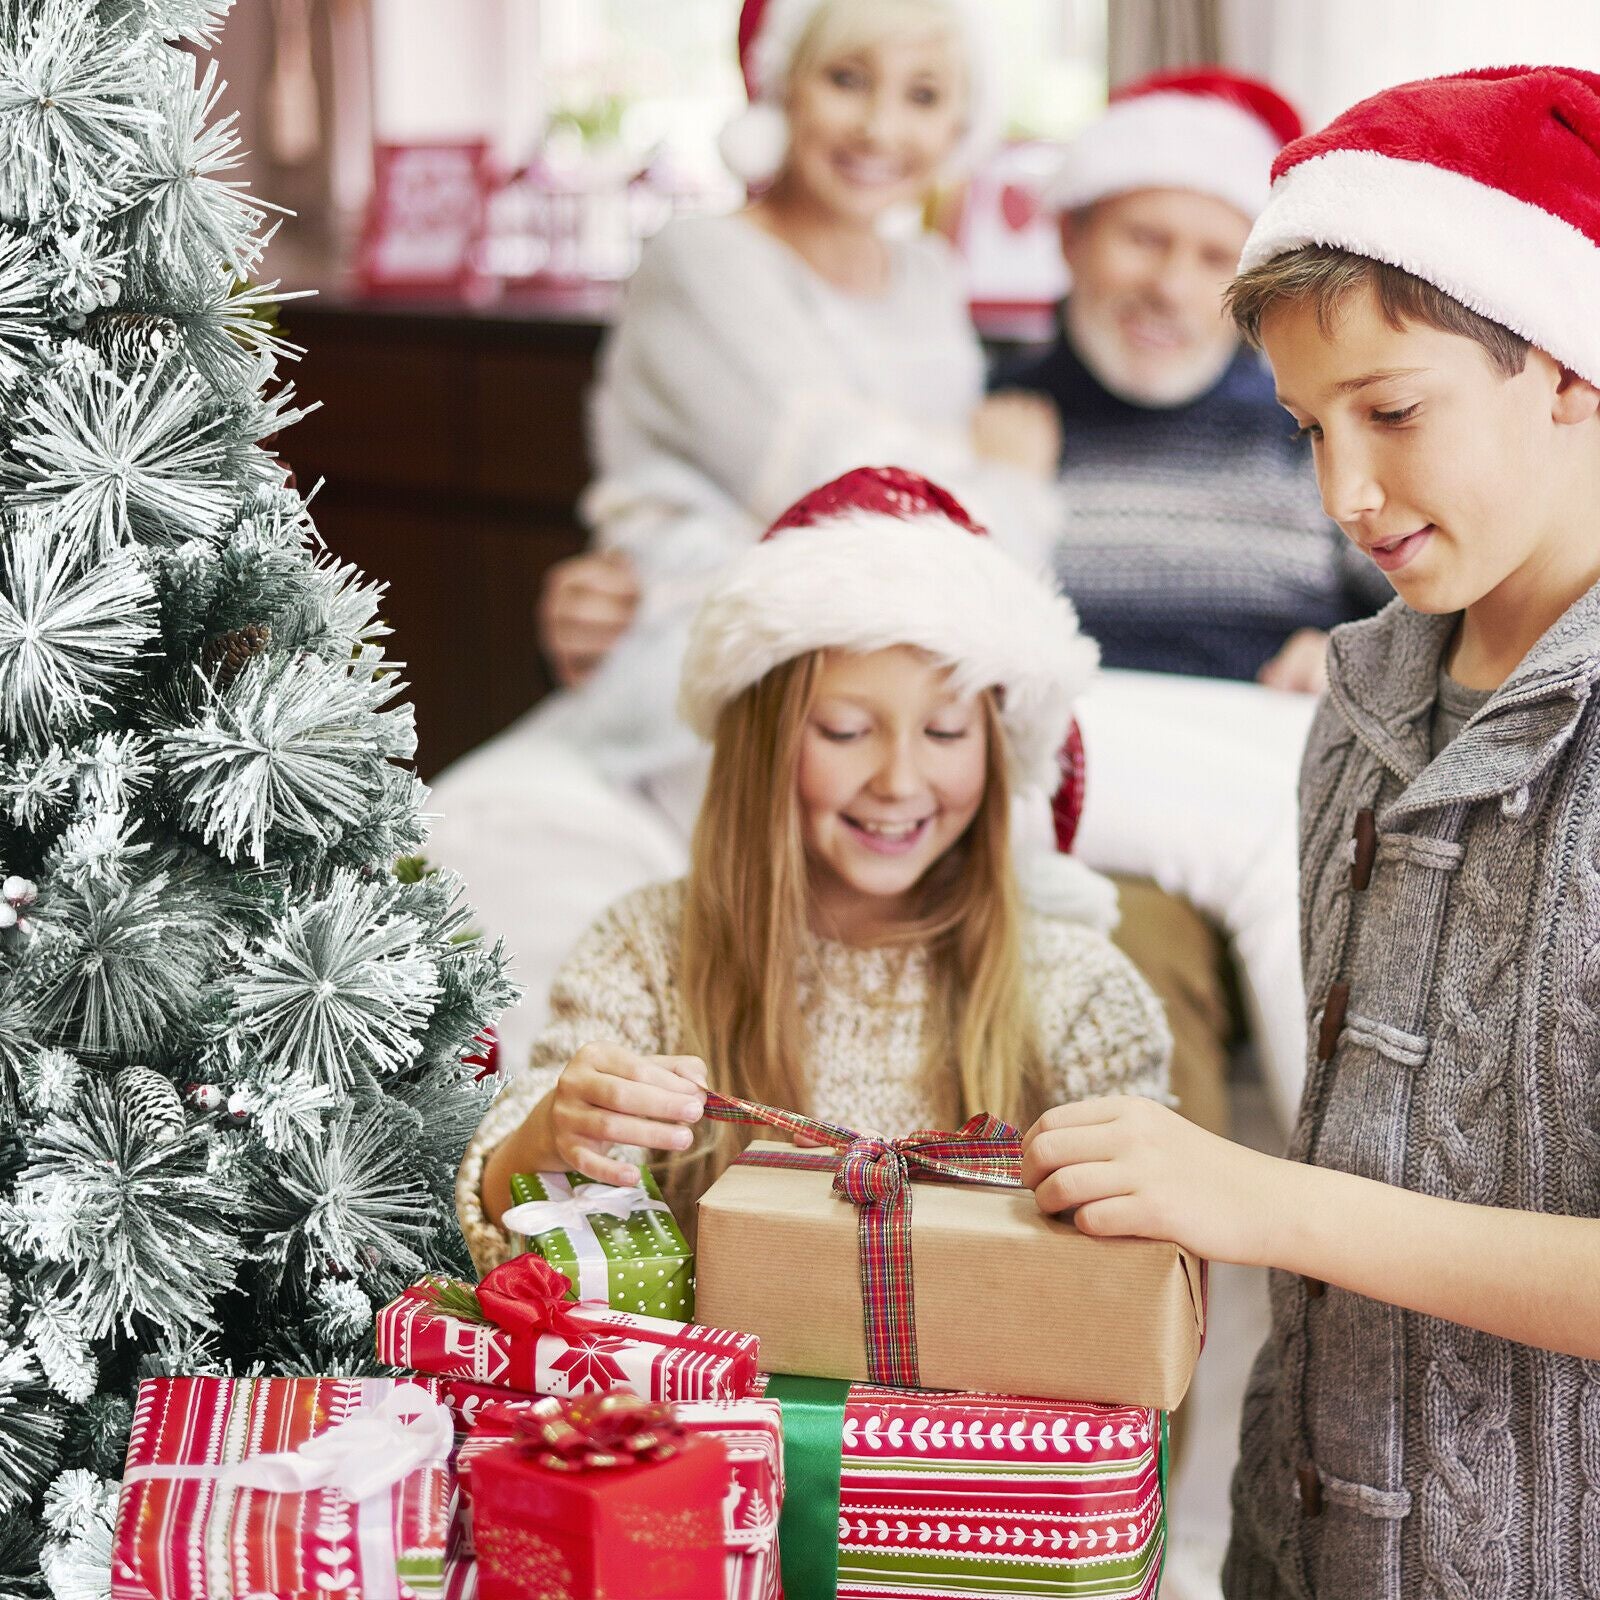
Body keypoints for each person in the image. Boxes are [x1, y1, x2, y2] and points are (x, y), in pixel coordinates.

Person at [1021, 67, 1600, 1597]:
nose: (1346, 489)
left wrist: (1260, 1199)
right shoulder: (1362, 698)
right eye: (1304, 427)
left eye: (1395, 411)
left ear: (1571, 370)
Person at [428, 0, 1063, 1070]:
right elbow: (845, 486)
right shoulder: (701, 260)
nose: (879, 129)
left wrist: (967, 505)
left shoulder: (927, 279)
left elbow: (936, 529)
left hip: (878, 653)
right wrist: (1002, 469)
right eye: (846, 80)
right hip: (697, 632)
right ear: (781, 87)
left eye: (922, 96)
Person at [457, 467, 1169, 1272]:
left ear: (998, 751)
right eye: (843, 730)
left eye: (942, 733)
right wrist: (553, 1135)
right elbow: (510, 1216)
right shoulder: (647, 952)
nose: (899, 781)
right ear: (764, 745)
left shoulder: (1075, 989)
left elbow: (1143, 1286)